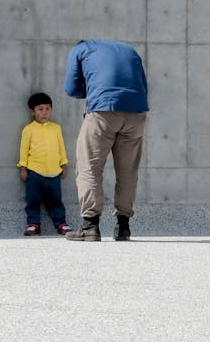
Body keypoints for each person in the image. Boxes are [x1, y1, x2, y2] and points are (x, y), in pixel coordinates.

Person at [62, 40, 148, 242]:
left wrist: (93, 89)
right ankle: (123, 227)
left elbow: (71, 88)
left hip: (102, 111)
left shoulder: (79, 49)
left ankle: (90, 227)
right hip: (136, 112)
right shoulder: (129, 50)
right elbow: (142, 83)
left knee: (89, 167)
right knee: (128, 171)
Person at [17, 92, 71, 236]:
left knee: (56, 201)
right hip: (34, 172)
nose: (44, 112)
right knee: (32, 200)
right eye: (40, 109)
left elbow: (61, 147)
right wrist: (23, 168)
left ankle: (61, 223)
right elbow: (23, 150)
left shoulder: (56, 128)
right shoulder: (28, 129)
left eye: (47, 109)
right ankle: (33, 224)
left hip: (54, 172)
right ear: (32, 112)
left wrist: (64, 164)